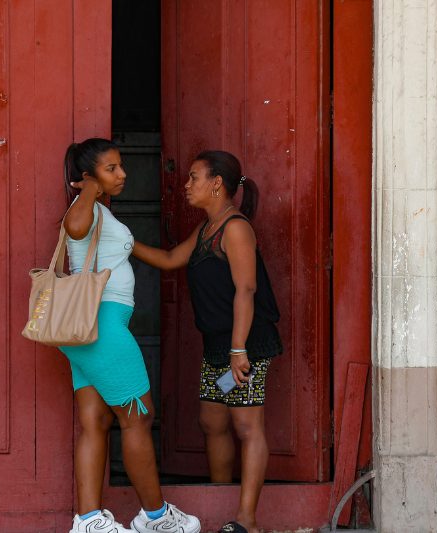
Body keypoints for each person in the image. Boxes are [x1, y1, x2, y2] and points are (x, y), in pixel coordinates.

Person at [132, 151, 282, 533]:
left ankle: (247, 520)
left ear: (216, 183)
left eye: (194, 177)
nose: (186, 185)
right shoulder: (206, 230)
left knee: (247, 425)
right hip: (218, 345)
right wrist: (123, 241)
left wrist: (238, 351)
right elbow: (168, 259)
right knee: (212, 420)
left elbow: (246, 290)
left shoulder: (235, 228)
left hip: (246, 343)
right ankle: (221, 499)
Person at [60, 138, 201, 533]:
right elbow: (73, 227)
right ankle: (155, 518)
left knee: (95, 420)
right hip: (101, 325)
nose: (122, 174)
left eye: (121, 166)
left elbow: (166, 259)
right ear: (88, 177)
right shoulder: (84, 208)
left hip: (88, 330)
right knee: (139, 416)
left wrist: (210, 225)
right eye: (111, 169)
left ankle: (88, 521)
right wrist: (90, 188)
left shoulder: (104, 216)